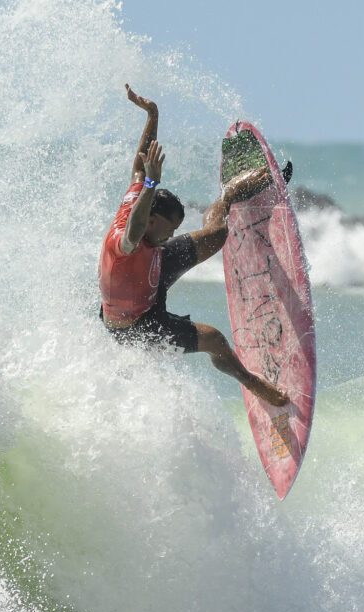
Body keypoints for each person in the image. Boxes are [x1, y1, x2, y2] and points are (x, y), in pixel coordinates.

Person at [98, 85, 289, 407]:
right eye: (168, 229)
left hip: (151, 269)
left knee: (217, 235)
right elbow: (133, 234)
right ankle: (253, 383)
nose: (173, 235)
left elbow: (139, 166)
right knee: (213, 339)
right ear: (151, 221)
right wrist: (152, 184)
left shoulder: (142, 208)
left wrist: (152, 114)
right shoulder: (124, 243)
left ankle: (230, 196)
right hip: (136, 324)